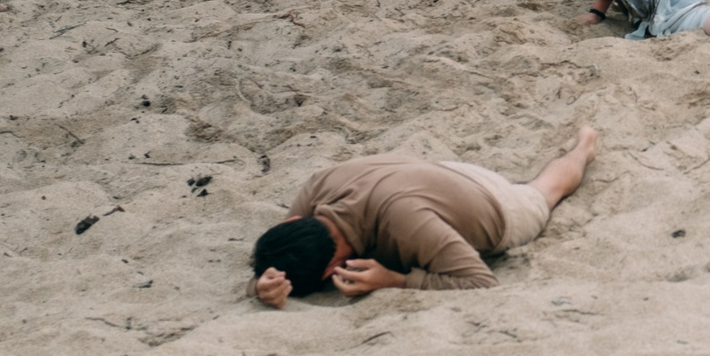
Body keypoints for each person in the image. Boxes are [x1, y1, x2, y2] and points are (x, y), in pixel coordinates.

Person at [250, 129, 601, 304]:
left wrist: (395, 280)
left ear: (331, 270)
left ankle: (584, 147)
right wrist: (260, 286)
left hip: (496, 204)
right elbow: (281, 253)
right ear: (294, 221)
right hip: (433, 176)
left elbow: (480, 281)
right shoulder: (317, 187)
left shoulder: (407, 224)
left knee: (545, 190)